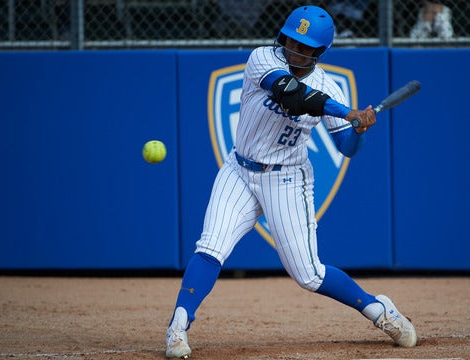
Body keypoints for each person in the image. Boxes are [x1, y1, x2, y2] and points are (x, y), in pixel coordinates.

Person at [165, 5, 417, 358]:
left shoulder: (328, 85)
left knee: (309, 275)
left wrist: (358, 128)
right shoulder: (262, 59)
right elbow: (290, 93)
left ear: (319, 52)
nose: (294, 48)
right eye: (291, 40)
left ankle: (380, 311)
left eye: (304, 45)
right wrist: (348, 112)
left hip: (286, 180)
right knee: (210, 246)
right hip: (238, 170)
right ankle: (177, 328)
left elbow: (347, 147)